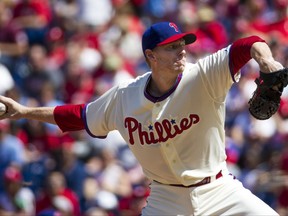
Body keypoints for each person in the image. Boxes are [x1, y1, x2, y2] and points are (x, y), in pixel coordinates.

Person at [0, 21, 283, 215]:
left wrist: (266, 61)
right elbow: (78, 116)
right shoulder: (125, 97)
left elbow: (249, 44)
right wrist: (22, 111)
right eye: (171, 46)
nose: (182, 49)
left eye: (182, 43)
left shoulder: (204, 75)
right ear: (151, 56)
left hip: (219, 190)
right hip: (166, 201)